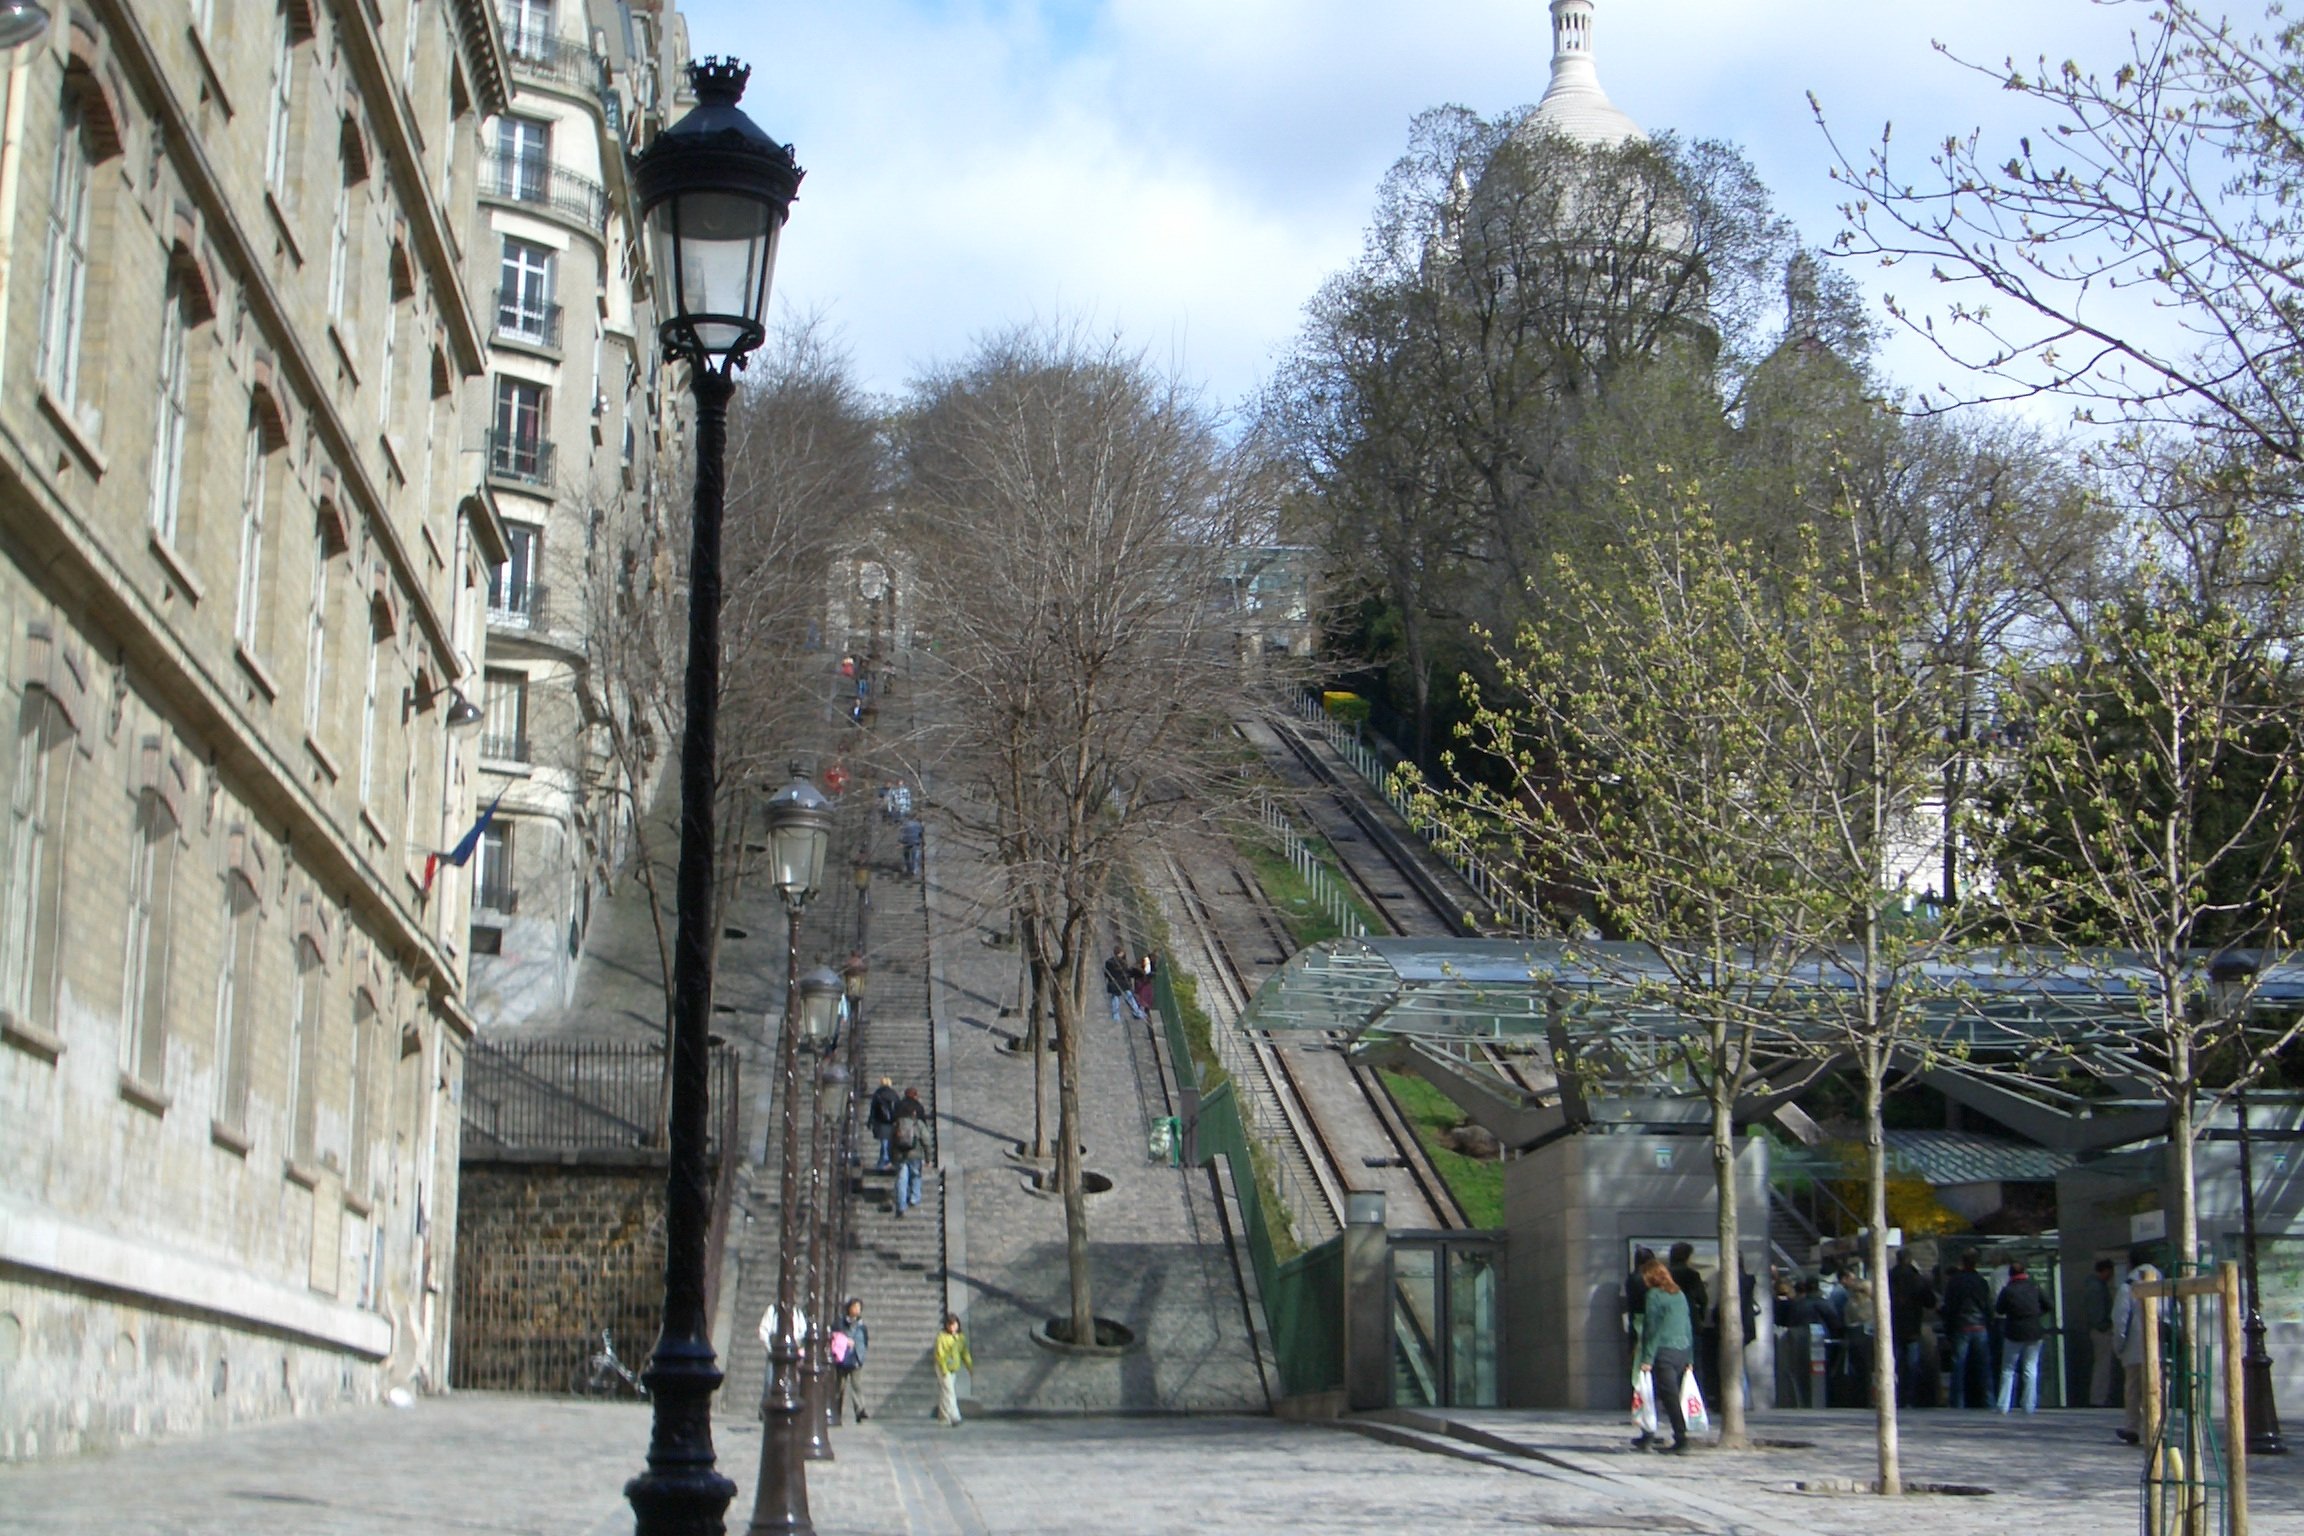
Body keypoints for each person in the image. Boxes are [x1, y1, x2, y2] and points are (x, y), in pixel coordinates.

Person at [1633, 1255, 1695, 1453]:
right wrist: (1690, 1357)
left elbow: (1652, 1328)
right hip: (1682, 1350)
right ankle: (1650, 1435)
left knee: (1665, 1396)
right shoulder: (1679, 1294)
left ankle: (1680, 1438)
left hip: (1664, 1351)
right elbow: (1687, 1324)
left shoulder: (1654, 1296)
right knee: (1667, 1394)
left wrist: (1647, 1357)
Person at [2112, 1260, 2163, 1444]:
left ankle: (2133, 1427)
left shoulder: (2127, 1289)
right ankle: (2158, 1428)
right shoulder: (2163, 1286)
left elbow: (2120, 1321)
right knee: (2158, 1389)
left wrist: (2119, 1347)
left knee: (2134, 1390)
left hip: (2135, 1350)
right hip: (2161, 1351)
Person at [1993, 1260, 2051, 1414]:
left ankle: (2003, 1406)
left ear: (2010, 1274)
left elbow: (1999, 1308)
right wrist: (2036, 1314)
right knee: (2030, 1369)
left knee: (2008, 1370)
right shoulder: (2035, 1287)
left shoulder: (2008, 1290)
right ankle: (2029, 1406)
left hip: (2013, 1332)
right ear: (2024, 1272)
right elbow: (2049, 1305)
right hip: (2034, 1331)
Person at [1941, 1248, 1993, 1409]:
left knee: (1958, 1367)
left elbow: (1949, 1307)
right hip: (1979, 1326)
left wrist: (1949, 1329)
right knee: (1984, 1367)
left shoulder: (1955, 1282)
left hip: (1961, 1326)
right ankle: (1988, 1401)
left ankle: (1957, 1403)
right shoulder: (1981, 1281)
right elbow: (1987, 1306)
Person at [1887, 1248, 1937, 1407]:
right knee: (1912, 1366)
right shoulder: (1917, 1278)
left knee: (1894, 1365)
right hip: (1913, 1328)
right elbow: (1930, 1301)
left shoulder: (1888, 1278)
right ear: (1909, 1259)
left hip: (1893, 1327)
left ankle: (1895, 1397)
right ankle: (1910, 1398)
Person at [1667, 1242, 1712, 1400]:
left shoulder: (1667, 1274)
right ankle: (1694, 1398)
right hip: (1691, 1321)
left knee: (1672, 1364)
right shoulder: (1692, 1275)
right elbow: (1702, 1298)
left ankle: (1674, 1397)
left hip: (1670, 1323)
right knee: (1694, 1363)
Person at [2085, 1257, 2120, 1408]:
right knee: (2103, 1366)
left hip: (2099, 1329)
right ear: (2105, 1271)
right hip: (2102, 1331)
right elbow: (2096, 1311)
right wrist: (2104, 1326)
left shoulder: (2094, 1286)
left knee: (2102, 1365)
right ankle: (2099, 1398)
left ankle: (2100, 1397)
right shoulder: (2097, 1288)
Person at [891, 1088, 931, 1216]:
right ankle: (914, 1197)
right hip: (915, 1152)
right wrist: (928, 1157)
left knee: (901, 1178)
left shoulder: (897, 1122)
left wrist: (892, 1156)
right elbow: (926, 1140)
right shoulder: (917, 1122)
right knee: (915, 1175)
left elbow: (892, 1140)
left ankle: (901, 1204)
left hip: (900, 1153)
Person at [832, 1298, 869, 1424]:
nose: (857, 1310)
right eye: (855, 1307)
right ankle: (836, 1410)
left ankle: (860, 1410)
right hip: (842, 1358)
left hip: (856, 1358)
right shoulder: (840, 1324)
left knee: (857, 1385)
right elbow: (835, 1337)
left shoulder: (861, 1326)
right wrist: (845, 1342)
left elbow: (865, 1342)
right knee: (840, 1386)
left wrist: (861, 1356)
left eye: (859, 1307)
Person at [934, 1313, 973, 1426]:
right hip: (943, 1368)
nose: (952, 1327)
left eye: (954, 1325)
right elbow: (939, 1354)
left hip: (953, 1368)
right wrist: (944, 1369)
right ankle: (955, 1416)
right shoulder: (942, 1337)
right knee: (950, 1392)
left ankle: (943, 1416)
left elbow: (965, 1353)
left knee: (946, 1392)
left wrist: (969, 1366)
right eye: (950, 1325)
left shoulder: (961, 1338)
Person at [867, 1077, 899, 1171]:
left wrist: (870, 1121)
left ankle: (884, 1161)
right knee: (888, 1142)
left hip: (880, 1122)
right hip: (892, 1122)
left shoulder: (878, 1094)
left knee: (884, 1142)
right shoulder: (894, 1094)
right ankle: (886, 1160)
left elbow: (873, 1109)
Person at [1104, 944, 1139, 1022]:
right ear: (1120, 953)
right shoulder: (1123, 963)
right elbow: (1126, 972)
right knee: (1130, 997)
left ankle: (1115, 1016)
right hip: (1123, 982)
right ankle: (1136, 1012)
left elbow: (1106, 973)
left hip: (1113, 983)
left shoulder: (1108, 962)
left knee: (1115, 999)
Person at [1132, 954, 1158, 1020]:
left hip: (1144, 982)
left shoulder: (1152, 964)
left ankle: (1141, 1011)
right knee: (1142, 996)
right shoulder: (1146, 961)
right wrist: (1143, 973)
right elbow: (1138, 967)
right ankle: (1138, 1012)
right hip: (1141, 981)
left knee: (1146, 997)